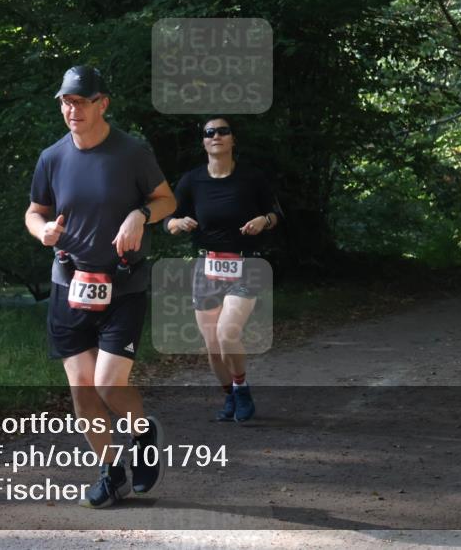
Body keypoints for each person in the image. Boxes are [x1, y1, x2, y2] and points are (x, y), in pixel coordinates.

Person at [24, 65, 176, 508]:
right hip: (69, 283)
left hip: (123, 286)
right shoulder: (52, 157)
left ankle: (144, 434)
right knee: (83, 390)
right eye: (66, 102)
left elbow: (167, 199)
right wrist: (43, 231)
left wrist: (140, 215)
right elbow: (34, 211)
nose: (72, 109)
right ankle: (111, 470)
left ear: (102, 103)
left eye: (81, 101)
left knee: (109, 384)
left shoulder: (131, 152)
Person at [165, 117, 280, 422]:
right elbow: (168, 219)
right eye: (209, 133)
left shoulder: (251, 178)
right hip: (207, 266)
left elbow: (275, 213)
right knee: (213, 348)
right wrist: (177, 223)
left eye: (222, 131)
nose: (216, 136)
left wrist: (263, 221)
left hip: (246, 264)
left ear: (233, 140)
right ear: (203, 142)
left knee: (227, 333)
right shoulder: (191, 181)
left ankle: (242, 389)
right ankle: (230, 395)